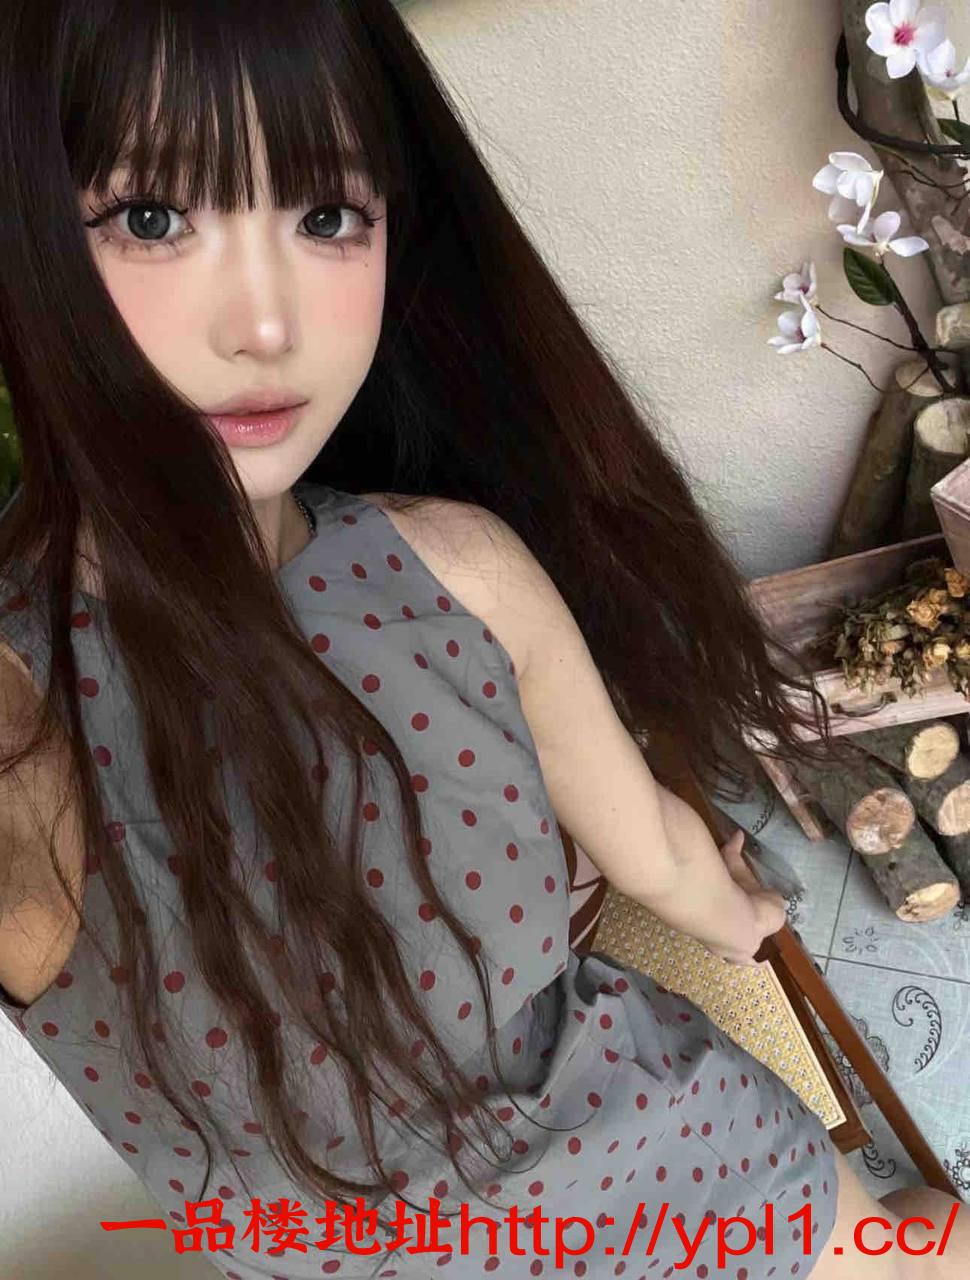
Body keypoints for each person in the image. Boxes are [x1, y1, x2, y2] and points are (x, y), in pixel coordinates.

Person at [0, 3, 965, 1277]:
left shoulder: (459, 572)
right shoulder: (42, 708)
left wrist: (734, 905)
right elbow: (665, 858)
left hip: (656, 1159)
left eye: (327, 214)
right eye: (151, 216)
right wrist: (737, 908)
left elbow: (662, 851)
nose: (268, 325)